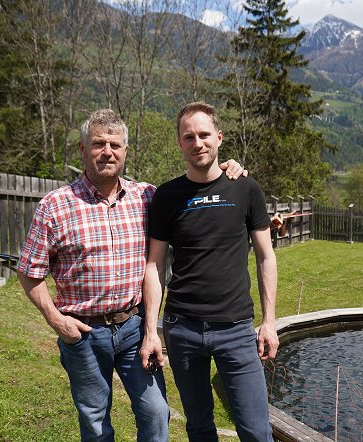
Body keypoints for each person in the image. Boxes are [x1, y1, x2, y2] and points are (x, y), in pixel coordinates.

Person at [16, 108, 246, 442]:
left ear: (125, 151)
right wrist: (55, 319)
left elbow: (192, 187)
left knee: (156, 413)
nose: (106, 151)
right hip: (83, 333)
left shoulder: (147, 196)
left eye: (115, 144)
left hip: (134, 329)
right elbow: (29, 272)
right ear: (82, 150)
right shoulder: (55, 205)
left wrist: (224, 169)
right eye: (98, 144)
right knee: (96, 423)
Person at [140, 101, 279, 442]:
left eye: (204, 135)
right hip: (182, 330)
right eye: (189, 137)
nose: (197, 143)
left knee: (257, 432)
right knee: (199, 428)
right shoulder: (167, 196)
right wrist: (151, 330)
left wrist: (270, 321)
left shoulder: (246, 189)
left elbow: (266, 256)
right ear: (180, 143)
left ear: (219, 137)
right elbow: (155, 265)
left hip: (236, 329)